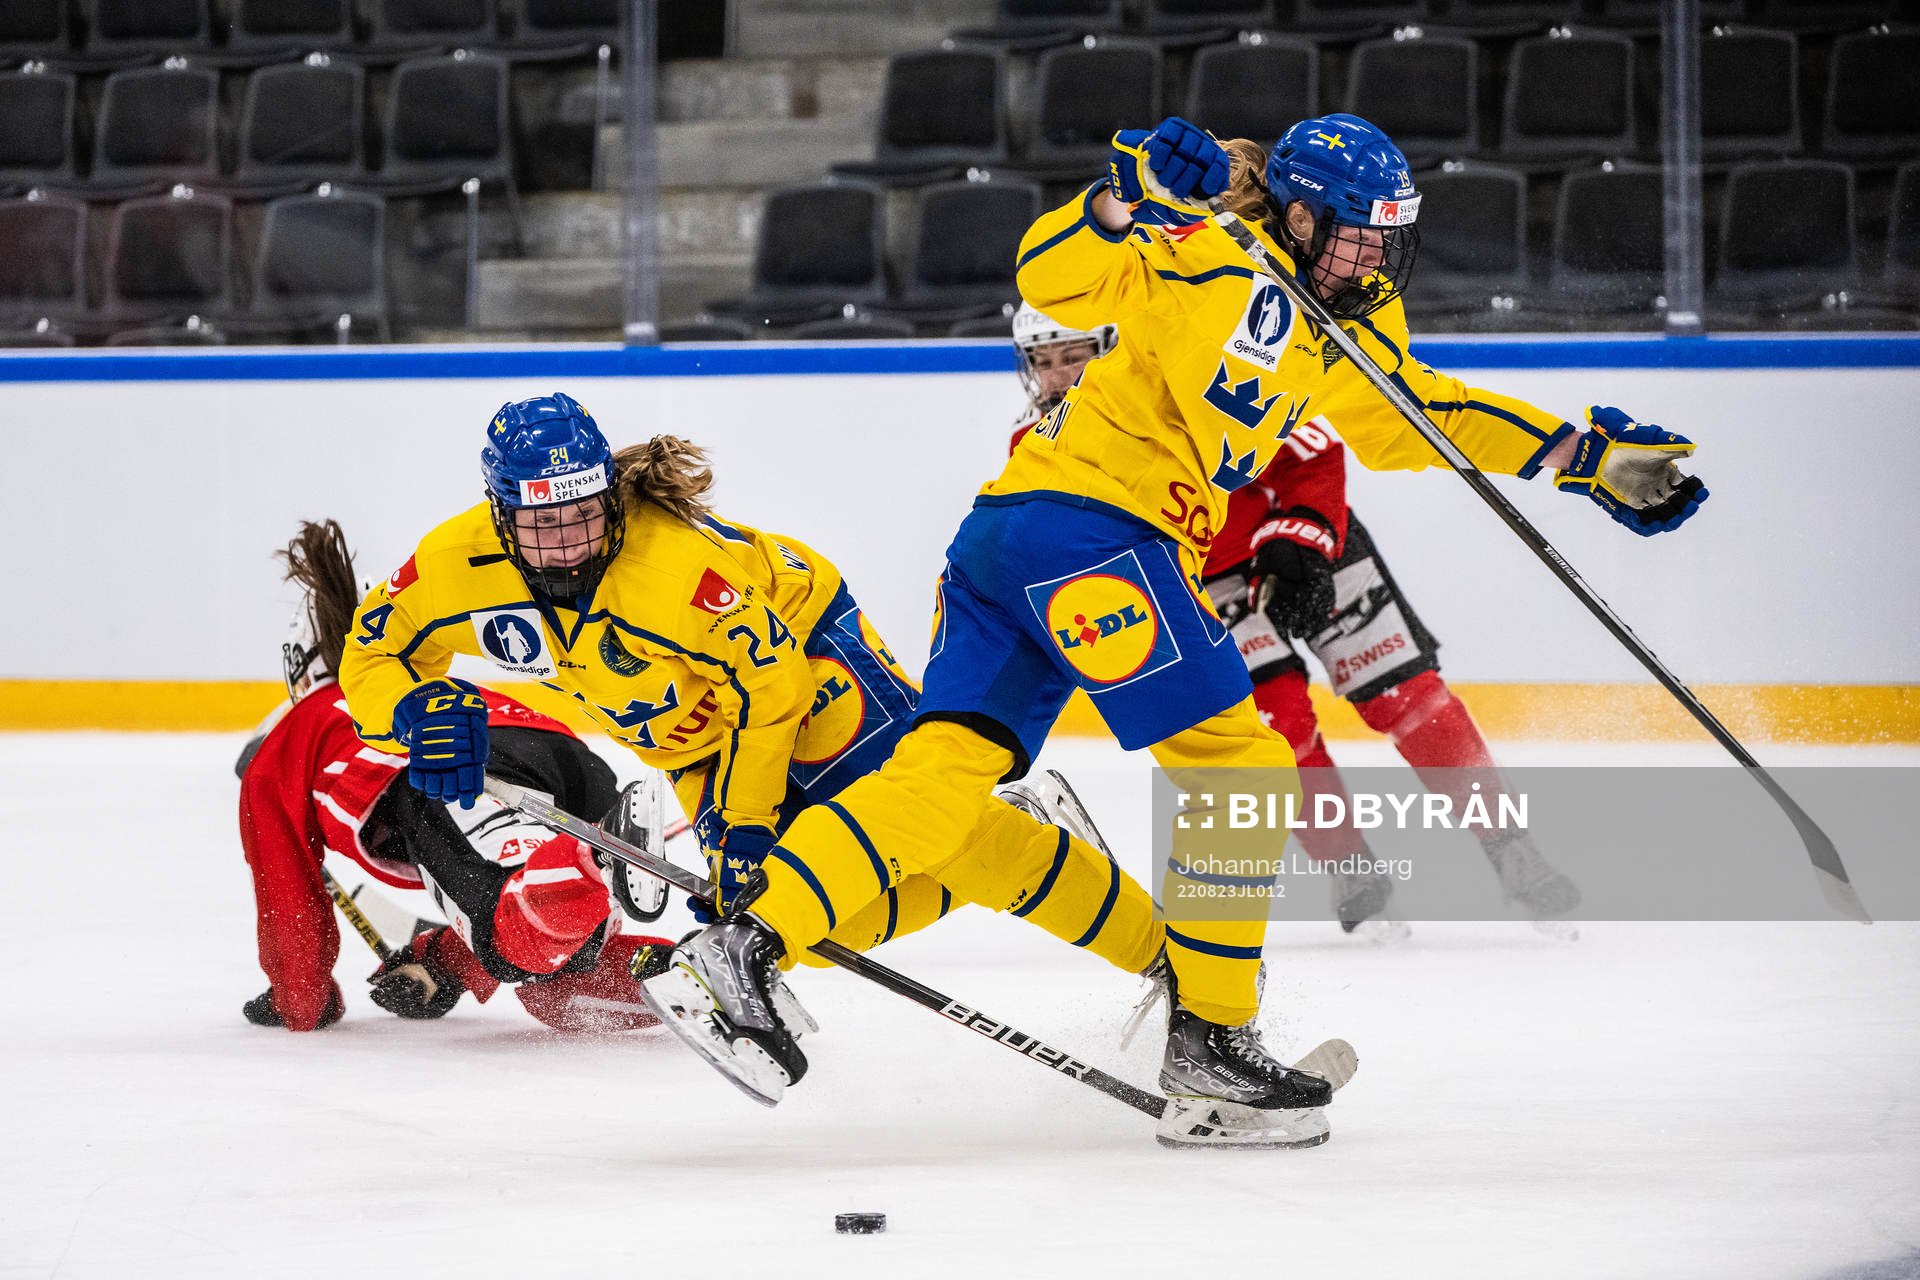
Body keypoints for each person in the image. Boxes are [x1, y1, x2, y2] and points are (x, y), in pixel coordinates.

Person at [637, 112, 1706, 1147]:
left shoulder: (1350, 330)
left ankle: (743, 945)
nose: (1377, 252)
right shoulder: (1196, 244)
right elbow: (1049, 275)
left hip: (1010, 539)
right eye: (1356, 230)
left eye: (1392, 232)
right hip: (1094, 534)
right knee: (1243, 763)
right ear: (1296, 214)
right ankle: (1213, 1038)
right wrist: (1120, 197)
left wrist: (1585, 456)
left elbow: (1422, 413)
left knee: (950, 765)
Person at [335, 394, 1168, 1071]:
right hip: (692, 738)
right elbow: (371, 652)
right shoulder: (452, 563)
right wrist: (412, 712)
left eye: (586, 514)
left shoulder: (675, 570)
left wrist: (744, 820)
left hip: (809, 667)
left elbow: (771, 690)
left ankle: (1165, 959)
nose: (570, 543)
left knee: (938, 838)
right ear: (499, 512)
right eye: (542, 524)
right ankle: (1026, 827)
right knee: (801, 913)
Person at [1006, 297, 1579, 936]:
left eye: (1073, 356)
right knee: (1278, 731)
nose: (1058, 375)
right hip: (1205, 583)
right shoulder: (1033, 447)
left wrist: (1299, 535)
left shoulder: (1193, 379)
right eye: (1044, 361)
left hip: (1306, 545)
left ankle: (1511, 849)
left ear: (1112, 347)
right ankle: (1351, 870)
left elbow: (1312, 450)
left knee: (1406, 697)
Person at [238, 519, 671, 1034]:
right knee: (558, 975)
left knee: (517, 943)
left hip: (457, 776)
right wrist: (441, 965)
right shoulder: (416, 685)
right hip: (568, 763)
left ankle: (596, 854)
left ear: (298, 667)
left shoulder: (296, 734)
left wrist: (300, 1000)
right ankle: (701, 975)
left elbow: (286, 891)